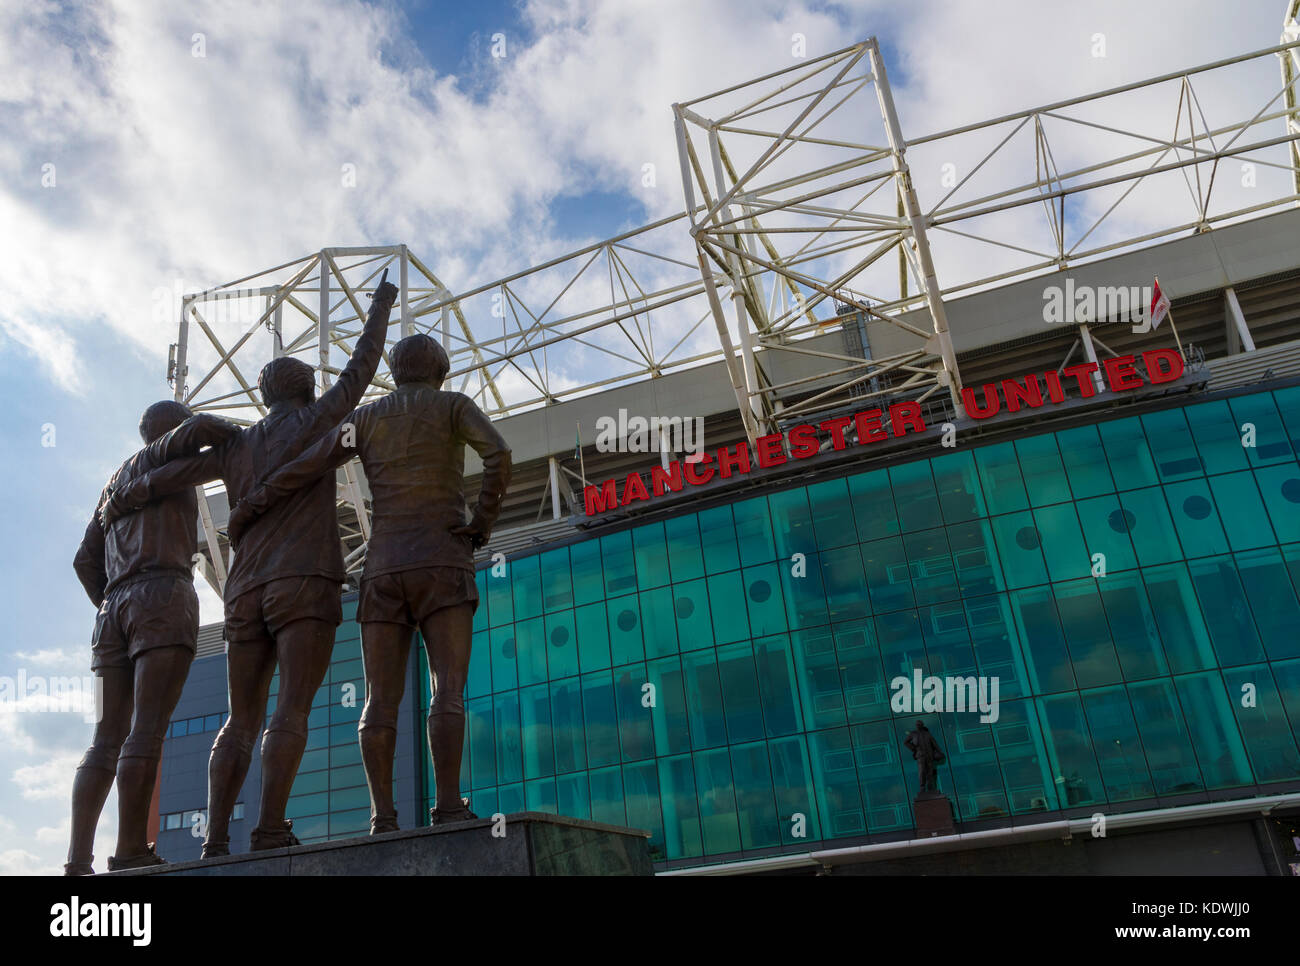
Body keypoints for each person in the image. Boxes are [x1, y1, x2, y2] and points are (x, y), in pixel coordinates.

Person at [101, 276, 398, 855]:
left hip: (242, 592)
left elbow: (168, 474)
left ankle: (214, 840)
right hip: (303, 581)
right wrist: (380, 304)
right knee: (290, 708)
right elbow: (362, 368)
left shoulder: (234, 446)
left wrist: (124, 496)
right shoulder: (317, 419)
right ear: (307, 391)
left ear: (264, 396)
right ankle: (267, 829)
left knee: (240, 718)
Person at [227, 333, 511, 831]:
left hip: (382, 568)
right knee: (447, 690)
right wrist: (480, 524)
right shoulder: (453, 406)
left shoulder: (367, 418)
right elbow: (500, 454)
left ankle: (382, 816)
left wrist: (253, 504)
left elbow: (305, 465)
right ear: (439, 370)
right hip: (443, 559)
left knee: (380, 698)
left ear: (397, 372)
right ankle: (446, 806)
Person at [68, 402, 240, 874]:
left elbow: (84, 560)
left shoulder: (112, 485)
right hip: (160, 596)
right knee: (146, 731)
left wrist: (113, 599)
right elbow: (205, 427)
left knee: (105, 737)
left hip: (112, 611)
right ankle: (129, 851)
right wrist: (254, 436)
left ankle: (77, 860)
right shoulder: (163, 454)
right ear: (170, 430)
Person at [903, 719, 945, 793]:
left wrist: (940, 752)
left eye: (919, 724)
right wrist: (914, 749)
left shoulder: (927, 734)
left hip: (929, 755)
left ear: (922, 725)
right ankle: (922, 787)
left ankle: (930, 787)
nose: (918, 726)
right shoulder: (913, 734)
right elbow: (906, 742)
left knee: (930, 772)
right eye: (917, 725)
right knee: (922, 771)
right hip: (920, 755)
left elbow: (934, 743)